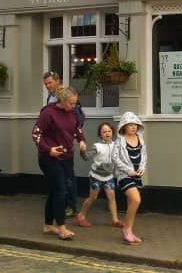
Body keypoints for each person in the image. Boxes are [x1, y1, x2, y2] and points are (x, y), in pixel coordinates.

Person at [32, 85, 86, 240]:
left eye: (75, 103)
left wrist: (81, 141)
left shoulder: (73, 113)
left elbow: (77, 129)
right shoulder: (48, 113)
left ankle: (48, 225)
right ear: (61, 101)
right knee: (61, 190)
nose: (73, 106)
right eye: (71, 103)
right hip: (50, 158)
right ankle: (62, 227)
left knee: (55, 190)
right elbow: (36, 134)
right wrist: (48, 149)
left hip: (67, 157)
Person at [73, 121, 122, 228]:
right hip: (96, 177)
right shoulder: (97, 146)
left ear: (112, 132)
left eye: (109, 131)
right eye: (104, 132)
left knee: (111, 197)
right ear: (100, 134)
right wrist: (82, 151)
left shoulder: (116, 145)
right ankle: (80, 216)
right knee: (92, 198)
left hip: (109, 177)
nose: (107, 133)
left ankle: (115, 220)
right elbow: (86, 157)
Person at [114, 111, 147, 245]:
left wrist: (142, 168)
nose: (133, 127)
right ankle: (126, 228)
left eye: (135, 124)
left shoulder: (140, 138)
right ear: (124, 126)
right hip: (124, 175)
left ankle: (130, 232)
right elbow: (115, 158)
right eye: (130, 125)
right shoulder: (120, 140)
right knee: (136, 200)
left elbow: (144, 155)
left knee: (131, 203)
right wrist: (129, 171)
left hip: (137, 175)